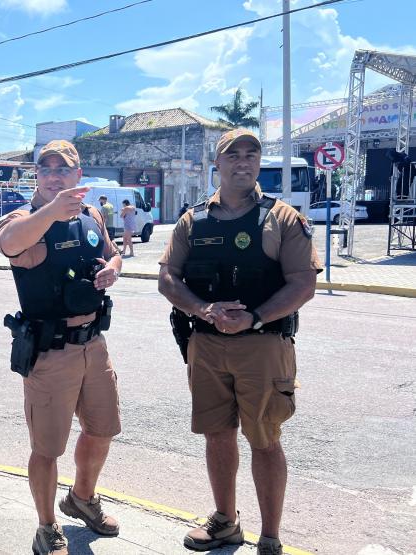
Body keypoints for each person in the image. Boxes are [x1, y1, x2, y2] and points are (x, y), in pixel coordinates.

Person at [158, 129, 321, 555]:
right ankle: (225, 522)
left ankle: (270, 537)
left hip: (264, 346)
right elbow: (167, 277)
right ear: (218, 165)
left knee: (264, 439)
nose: (243, 162)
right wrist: (202, 309)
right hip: (207, 346)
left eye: (252, 154)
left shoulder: (282, 218)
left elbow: (304, 283)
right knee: (217, 434)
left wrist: (256, 316)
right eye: (233, 155)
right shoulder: (192, 220)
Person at [0, 140, 123, 555]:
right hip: (50, 352)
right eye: (46, 168)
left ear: (77, 174)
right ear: (38, 175)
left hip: (94, 344)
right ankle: (46, 527)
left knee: (102, 430)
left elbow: (113, 253)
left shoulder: (92, 216)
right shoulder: (25, 217)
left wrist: (111, 270)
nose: (54, 175)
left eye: (62, 169)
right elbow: (9, 243)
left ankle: (82, 498)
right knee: (47, 449)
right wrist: (51, 211)